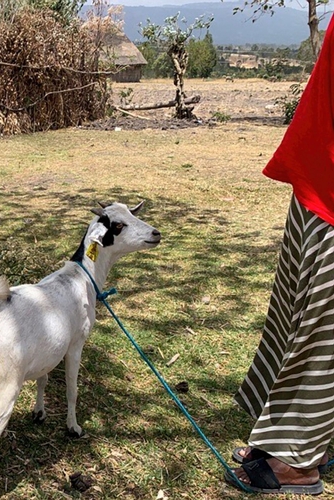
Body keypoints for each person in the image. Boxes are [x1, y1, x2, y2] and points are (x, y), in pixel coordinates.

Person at [226, 20, 334, 496]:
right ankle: (305, 437)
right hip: (319, 163)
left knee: (321, 329)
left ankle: (298, 459)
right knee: (294, 310)